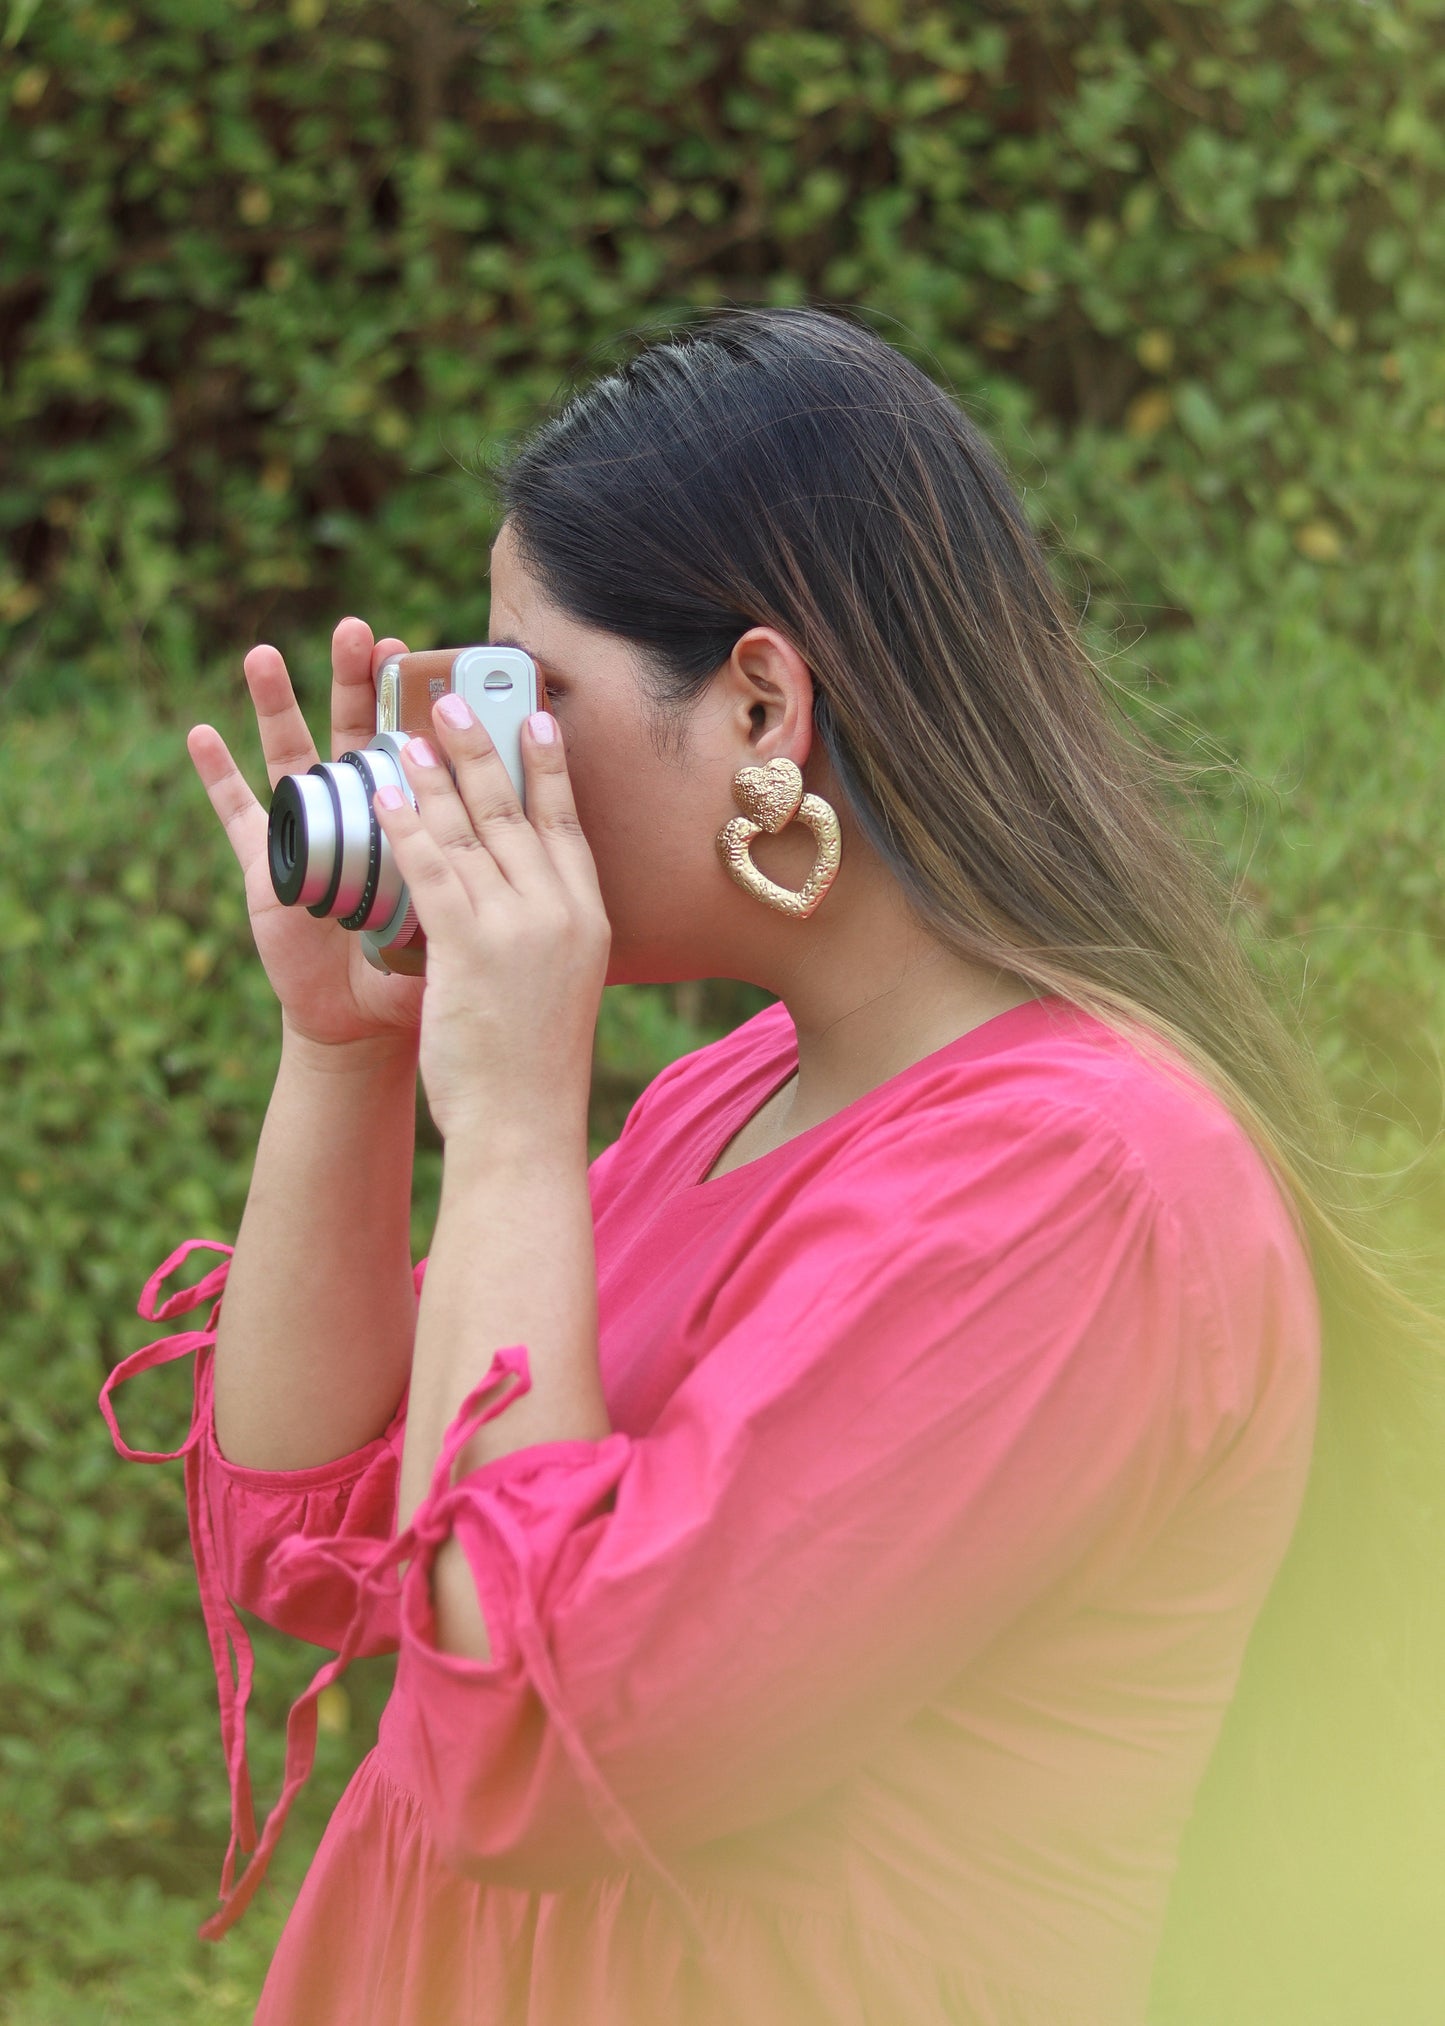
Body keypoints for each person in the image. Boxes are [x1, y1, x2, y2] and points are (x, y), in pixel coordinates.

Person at [108, 307, 1354, 2024]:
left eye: (522, 693)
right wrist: (348, 1051)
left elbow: (527, 1740)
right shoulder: (739, 1087)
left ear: (761, 702)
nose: (463, 764)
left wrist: (524, 1123)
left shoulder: (1078, 1189)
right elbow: (318, 1524)